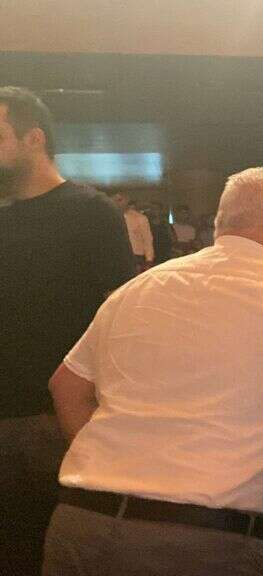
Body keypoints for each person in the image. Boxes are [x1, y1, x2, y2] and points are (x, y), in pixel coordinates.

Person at [42, 167, 263, 576]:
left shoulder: (139, 287)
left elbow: (66, 385)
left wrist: (117, 477)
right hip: (197, 545)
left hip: (79, 523)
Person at [0, 86, 135, 575]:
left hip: (58, 419)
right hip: (7, 418)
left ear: (33, 139)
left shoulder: (91, 213)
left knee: (62, 556)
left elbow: (120, 323)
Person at [112, 192, 154, 272]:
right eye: (114, 200)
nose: (117, 203)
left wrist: (149, 259)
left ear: (127, 200)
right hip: (116, 256)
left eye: (120, 200)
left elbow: (147, 239)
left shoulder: (140, 218)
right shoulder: (109, 218)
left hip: (136, 255)